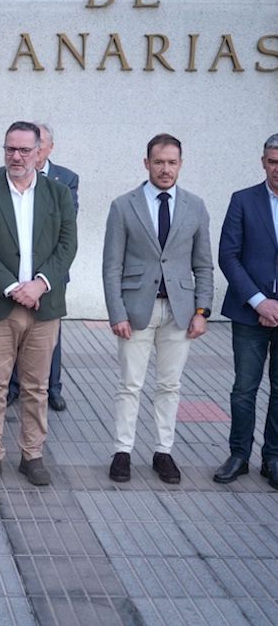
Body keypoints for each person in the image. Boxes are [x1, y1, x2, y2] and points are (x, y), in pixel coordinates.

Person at [0, 121, 77, 488]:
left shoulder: (58, 194)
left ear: (40, 151)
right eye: (10, 149)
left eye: (24, 150)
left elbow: (67, 246)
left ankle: (32, 454)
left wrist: (40, 284)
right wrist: (14, 287)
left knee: (36, 386)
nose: (16, 156)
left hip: (44, 306)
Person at [102, 133, 213, 484]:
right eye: (159, 162)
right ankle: (123, 451)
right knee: (129, 385)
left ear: (181, 164)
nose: (165, 169)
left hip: (179, 312)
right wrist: (117, 312)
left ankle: (163, 451)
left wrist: (202, 311)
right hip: (136, 311)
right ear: (146, 163)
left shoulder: (195, 206)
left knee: (170, 386)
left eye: (172, 162)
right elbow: (111, 266)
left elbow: (204, 265)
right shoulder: (124, 205)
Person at [215, 133, 278, 489]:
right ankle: (239, 454)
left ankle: (273, 457)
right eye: (272, 162)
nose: (277, 170)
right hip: (250, 312)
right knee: (244, 388)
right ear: (263, 162)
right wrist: (259, 301)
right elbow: (228, 255)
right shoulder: (243, 200)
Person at [7, 122, 80, 411]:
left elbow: (66, 225)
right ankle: (14, 386)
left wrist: (42, 279)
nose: (27, 155)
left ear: (46, 148)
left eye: (36, 147)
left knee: (50, 334)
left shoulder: (66, 179)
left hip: (51, 274)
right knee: (13, 331)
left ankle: (53, 388)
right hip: (15, 275)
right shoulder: (5, 176)